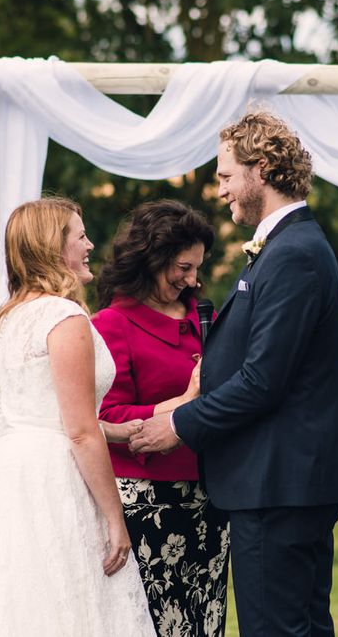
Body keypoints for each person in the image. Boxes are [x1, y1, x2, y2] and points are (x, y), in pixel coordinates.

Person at [130, 112, 338, 636]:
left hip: (278, 482)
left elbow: (263, 381)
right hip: (284, 480)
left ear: (261, 170)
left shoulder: (294, 254)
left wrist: (180, 424)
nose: (220, 190)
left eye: (226, 175)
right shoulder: (284, 248)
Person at [0, 198, 155, 636]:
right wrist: (115, 518)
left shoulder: (12, 315)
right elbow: (77, 431)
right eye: (80, 235)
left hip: (12, 475)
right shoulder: (64, 316)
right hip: (55, 479)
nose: (91, 244)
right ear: (54, 248)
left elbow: (43, 409)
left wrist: (112, 429)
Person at [92, 200, 230, 637]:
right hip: (149, 503)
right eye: (184, 268)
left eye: (197, 268)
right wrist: (183, 401)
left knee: (207, 620)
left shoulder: (201, 317)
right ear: (152, 259)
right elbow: (108, 417)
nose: (194, 279)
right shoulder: (111, 325)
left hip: (211, 497)